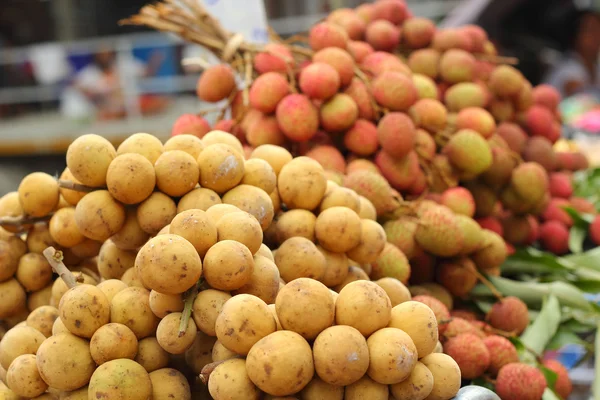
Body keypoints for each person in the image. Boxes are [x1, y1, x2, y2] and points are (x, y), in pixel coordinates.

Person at [61, 45, 167, 120]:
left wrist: (155, 60)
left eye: (107, 53)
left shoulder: (124, 64)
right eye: (101, 54)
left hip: (130, 105)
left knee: (162, 102)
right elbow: (84, 91)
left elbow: (146, 73)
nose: (105, 56)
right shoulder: (88, 74)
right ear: (96, 56)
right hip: (107, 108)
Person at [544, 11, 600, 98]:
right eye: (591, 30)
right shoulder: (566, 69)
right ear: (576, 35)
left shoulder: (596, 67)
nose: (597, 36)